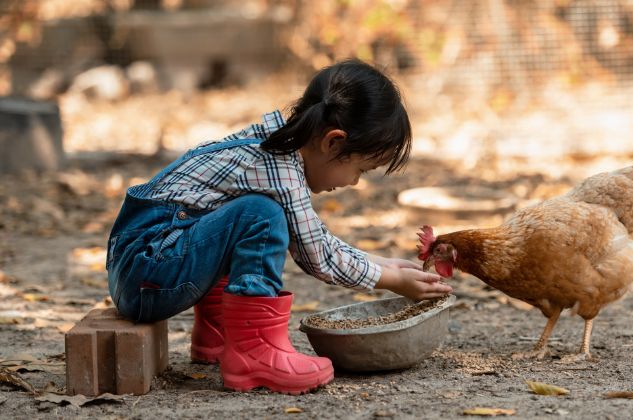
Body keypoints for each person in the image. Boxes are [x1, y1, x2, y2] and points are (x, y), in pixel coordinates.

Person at [106, 59, 452, 395]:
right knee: (261, 215)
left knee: (243, 216)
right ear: (333, 142)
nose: (355, 183)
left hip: (143, 267)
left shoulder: (275, 146)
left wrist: (382, 263)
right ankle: (254, 353)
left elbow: (316, 237)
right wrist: (388, 279)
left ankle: (220, 333)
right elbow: (320, 257)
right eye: (361, 170)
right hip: (147, 275)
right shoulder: (279, 172)